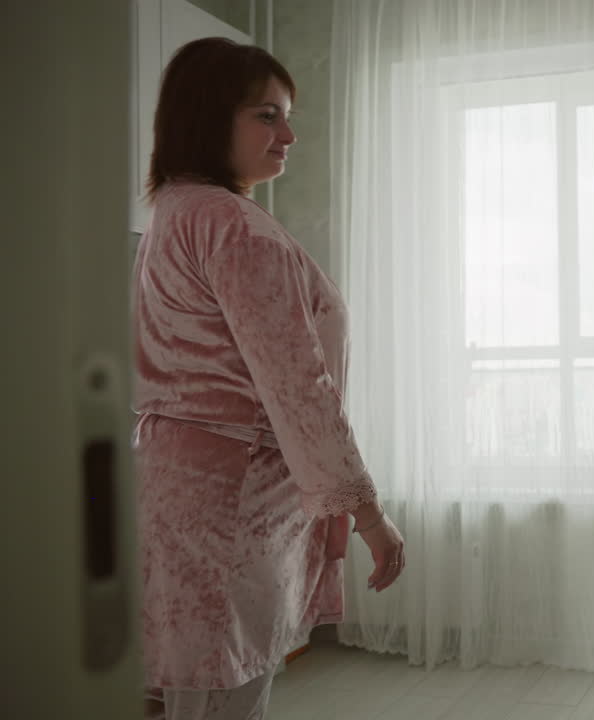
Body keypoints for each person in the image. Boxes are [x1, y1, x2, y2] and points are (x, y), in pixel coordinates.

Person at [132, 38, 404, 719]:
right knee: (223, 685)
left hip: (183, 488)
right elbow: (297, 384)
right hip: (230, 495)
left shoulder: (175, 209)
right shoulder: (230, 225)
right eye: (266, 115)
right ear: (208, 117)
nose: (289, 134)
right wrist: (370, 516)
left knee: (197, 678)